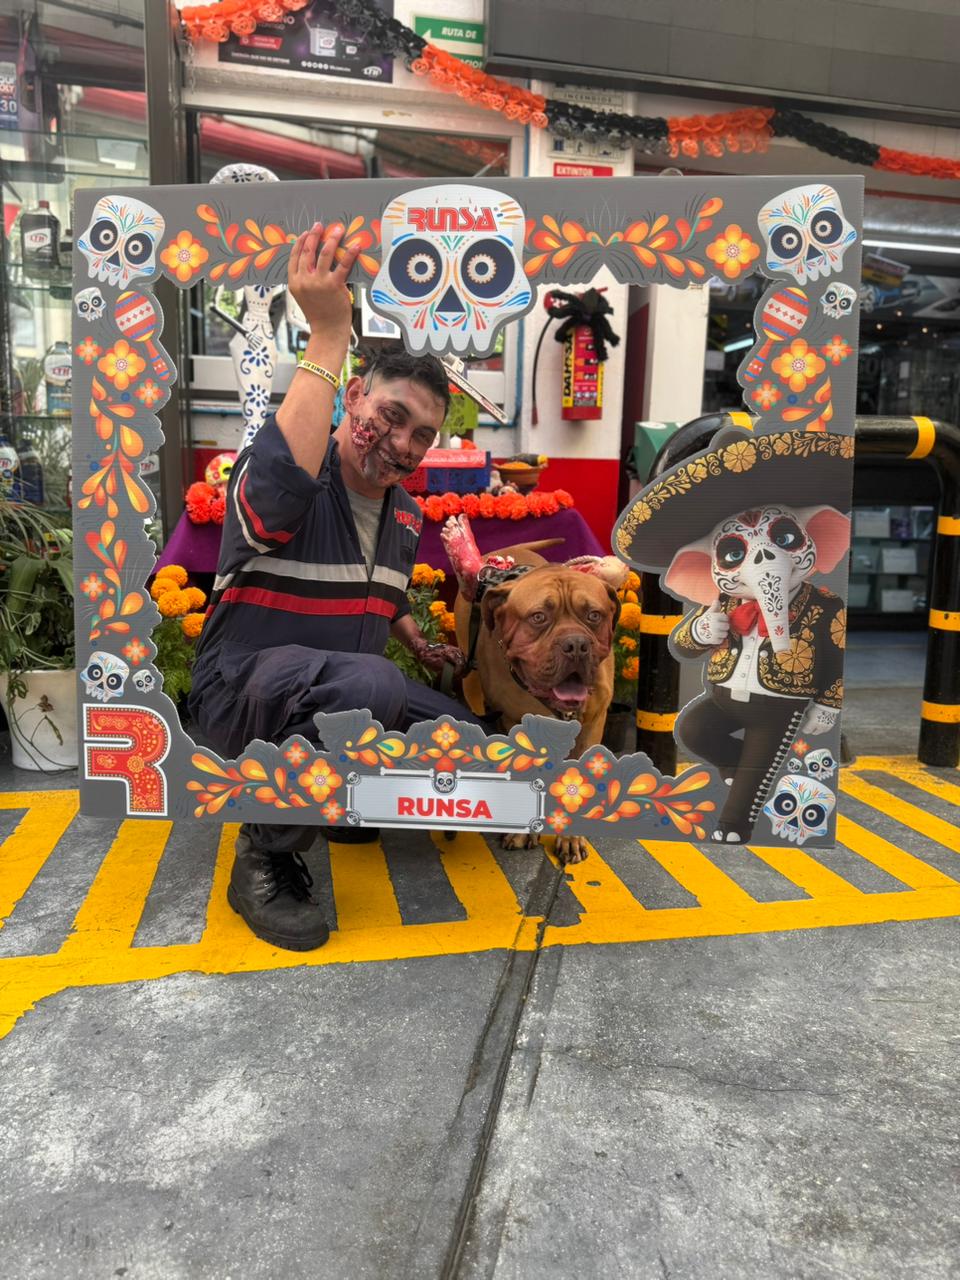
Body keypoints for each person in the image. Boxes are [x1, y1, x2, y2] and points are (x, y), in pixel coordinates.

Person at [188, 221, 480, 952]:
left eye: (422, 434)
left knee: (468, 740)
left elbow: (374, 596)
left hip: (334, 688)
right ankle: (266, 852)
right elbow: (273, 495)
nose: (404, 444)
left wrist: (416, 638)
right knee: (371, 686)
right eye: (391, 417)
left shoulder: (406, 515)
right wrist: (327, 334)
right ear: (352, 396)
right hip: (243, 692)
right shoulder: (293, 470)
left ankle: (335, 796)